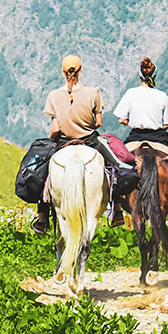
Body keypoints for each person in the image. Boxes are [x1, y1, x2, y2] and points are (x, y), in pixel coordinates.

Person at [32, 54, 120, 235]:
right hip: (89, 141)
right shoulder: (93, 92)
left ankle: (42, 217)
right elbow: (98, 123)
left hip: (63, 142)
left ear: (63, 72)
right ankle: (117, 210)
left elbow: (55, 129)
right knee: (115, 168)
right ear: (80, 70)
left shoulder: (54, 95)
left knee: (42, 173)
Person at [113, 57, 168, 219]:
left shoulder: (130, 94)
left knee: (114, 168)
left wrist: (132, 122)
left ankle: (115, 208)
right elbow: (166, 124)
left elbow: (121, 119)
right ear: (155, 77)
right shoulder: (162, 96)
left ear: (139, 76)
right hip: (158, 140)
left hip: (135, 138)